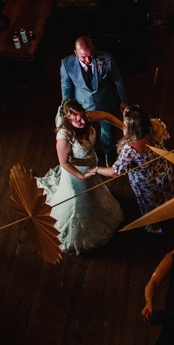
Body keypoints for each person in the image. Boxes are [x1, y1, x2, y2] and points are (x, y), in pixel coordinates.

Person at [35, 100, 123, 255]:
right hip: (77, 173)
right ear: (68, 120)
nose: (83, 121)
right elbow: (63, 162)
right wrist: (81, 176)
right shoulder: (64, 137)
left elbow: (106, 116)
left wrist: (123, 126)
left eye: (83, 117)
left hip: (91, 165)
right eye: (78, 120)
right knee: (81, 200)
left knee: (94, 193)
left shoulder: (85, 118)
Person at [95, 105, 174, 235]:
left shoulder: (130, 149)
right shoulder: (157, 126)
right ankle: (170, 212)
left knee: (150, 206)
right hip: (164, 171)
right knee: (166, 195)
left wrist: (96, 169)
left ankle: (156, 229)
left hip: (146, 183)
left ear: (131, 128)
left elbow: (115, 172)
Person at [60, 36, 128, 164]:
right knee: (82, 132)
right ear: (75, 53)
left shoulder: (106, 59)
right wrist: (68, 110)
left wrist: (123, 100)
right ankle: (88, 154)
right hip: (82, 106)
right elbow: (66, 88)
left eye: (90, 56)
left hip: (105, 102)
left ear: (94, 49)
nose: (87, 60)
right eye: (83, 57)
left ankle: (108, 152)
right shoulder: (66, 64)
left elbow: (117, 79)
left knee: (108, 131)